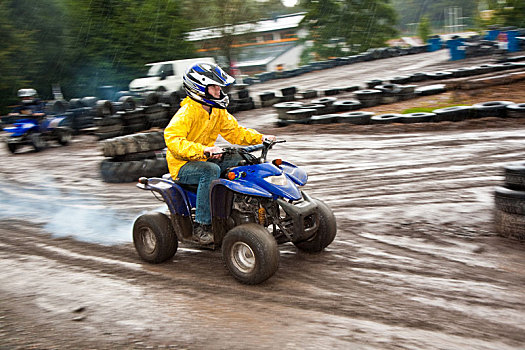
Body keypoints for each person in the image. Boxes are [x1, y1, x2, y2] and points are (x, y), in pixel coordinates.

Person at [164, 63, 275, 245]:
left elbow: (235, 133)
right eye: (214, 86)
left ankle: (248, 205)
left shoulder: (217, 111)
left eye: (219, 86)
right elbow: (173, 140)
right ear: (199, 88)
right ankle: (202, 226)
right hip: (182, 165)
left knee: (242, 159)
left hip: (206, 156)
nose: (219, 90)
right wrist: (203, 150)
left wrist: (261, 138)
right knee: (210, 171)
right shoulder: (186, 113)